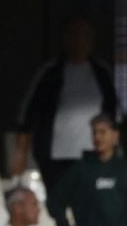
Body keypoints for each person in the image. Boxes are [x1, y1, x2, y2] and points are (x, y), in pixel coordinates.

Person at [12, 17, 119, 187]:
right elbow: (27, 116)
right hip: (55, 158)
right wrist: (20, 154)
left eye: (85, 36)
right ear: (65, 39)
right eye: (74, 35)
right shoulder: (50, 72)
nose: (79, 41)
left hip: (94, 155)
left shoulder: (101, 72)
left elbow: (114, 114)